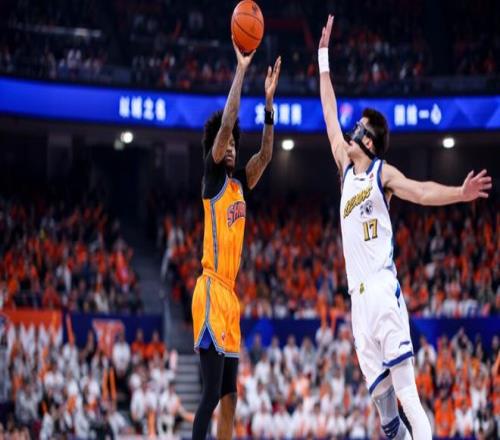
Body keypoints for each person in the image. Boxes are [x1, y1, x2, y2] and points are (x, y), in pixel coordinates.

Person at [318, 14, 492, 440]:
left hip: (382, 289)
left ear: (368, 141)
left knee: (408, 396)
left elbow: (422, 191)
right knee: (386, 418)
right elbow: (328, 112)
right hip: (357, 301)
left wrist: (460, 193)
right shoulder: (345, 169)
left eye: (358, 128)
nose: (349, 130)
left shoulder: (382, 173)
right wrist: (323, 58)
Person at [191, 38, 281, 440]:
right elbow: (227, 122)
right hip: (210, 289)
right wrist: (241, 71)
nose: (229, 146)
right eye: (224, 142)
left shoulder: (241, 182)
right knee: (211, 392)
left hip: (230, 296)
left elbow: (265, 156)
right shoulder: (212, 179)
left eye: (232, 144)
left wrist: (268, 106)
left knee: (230, 397)